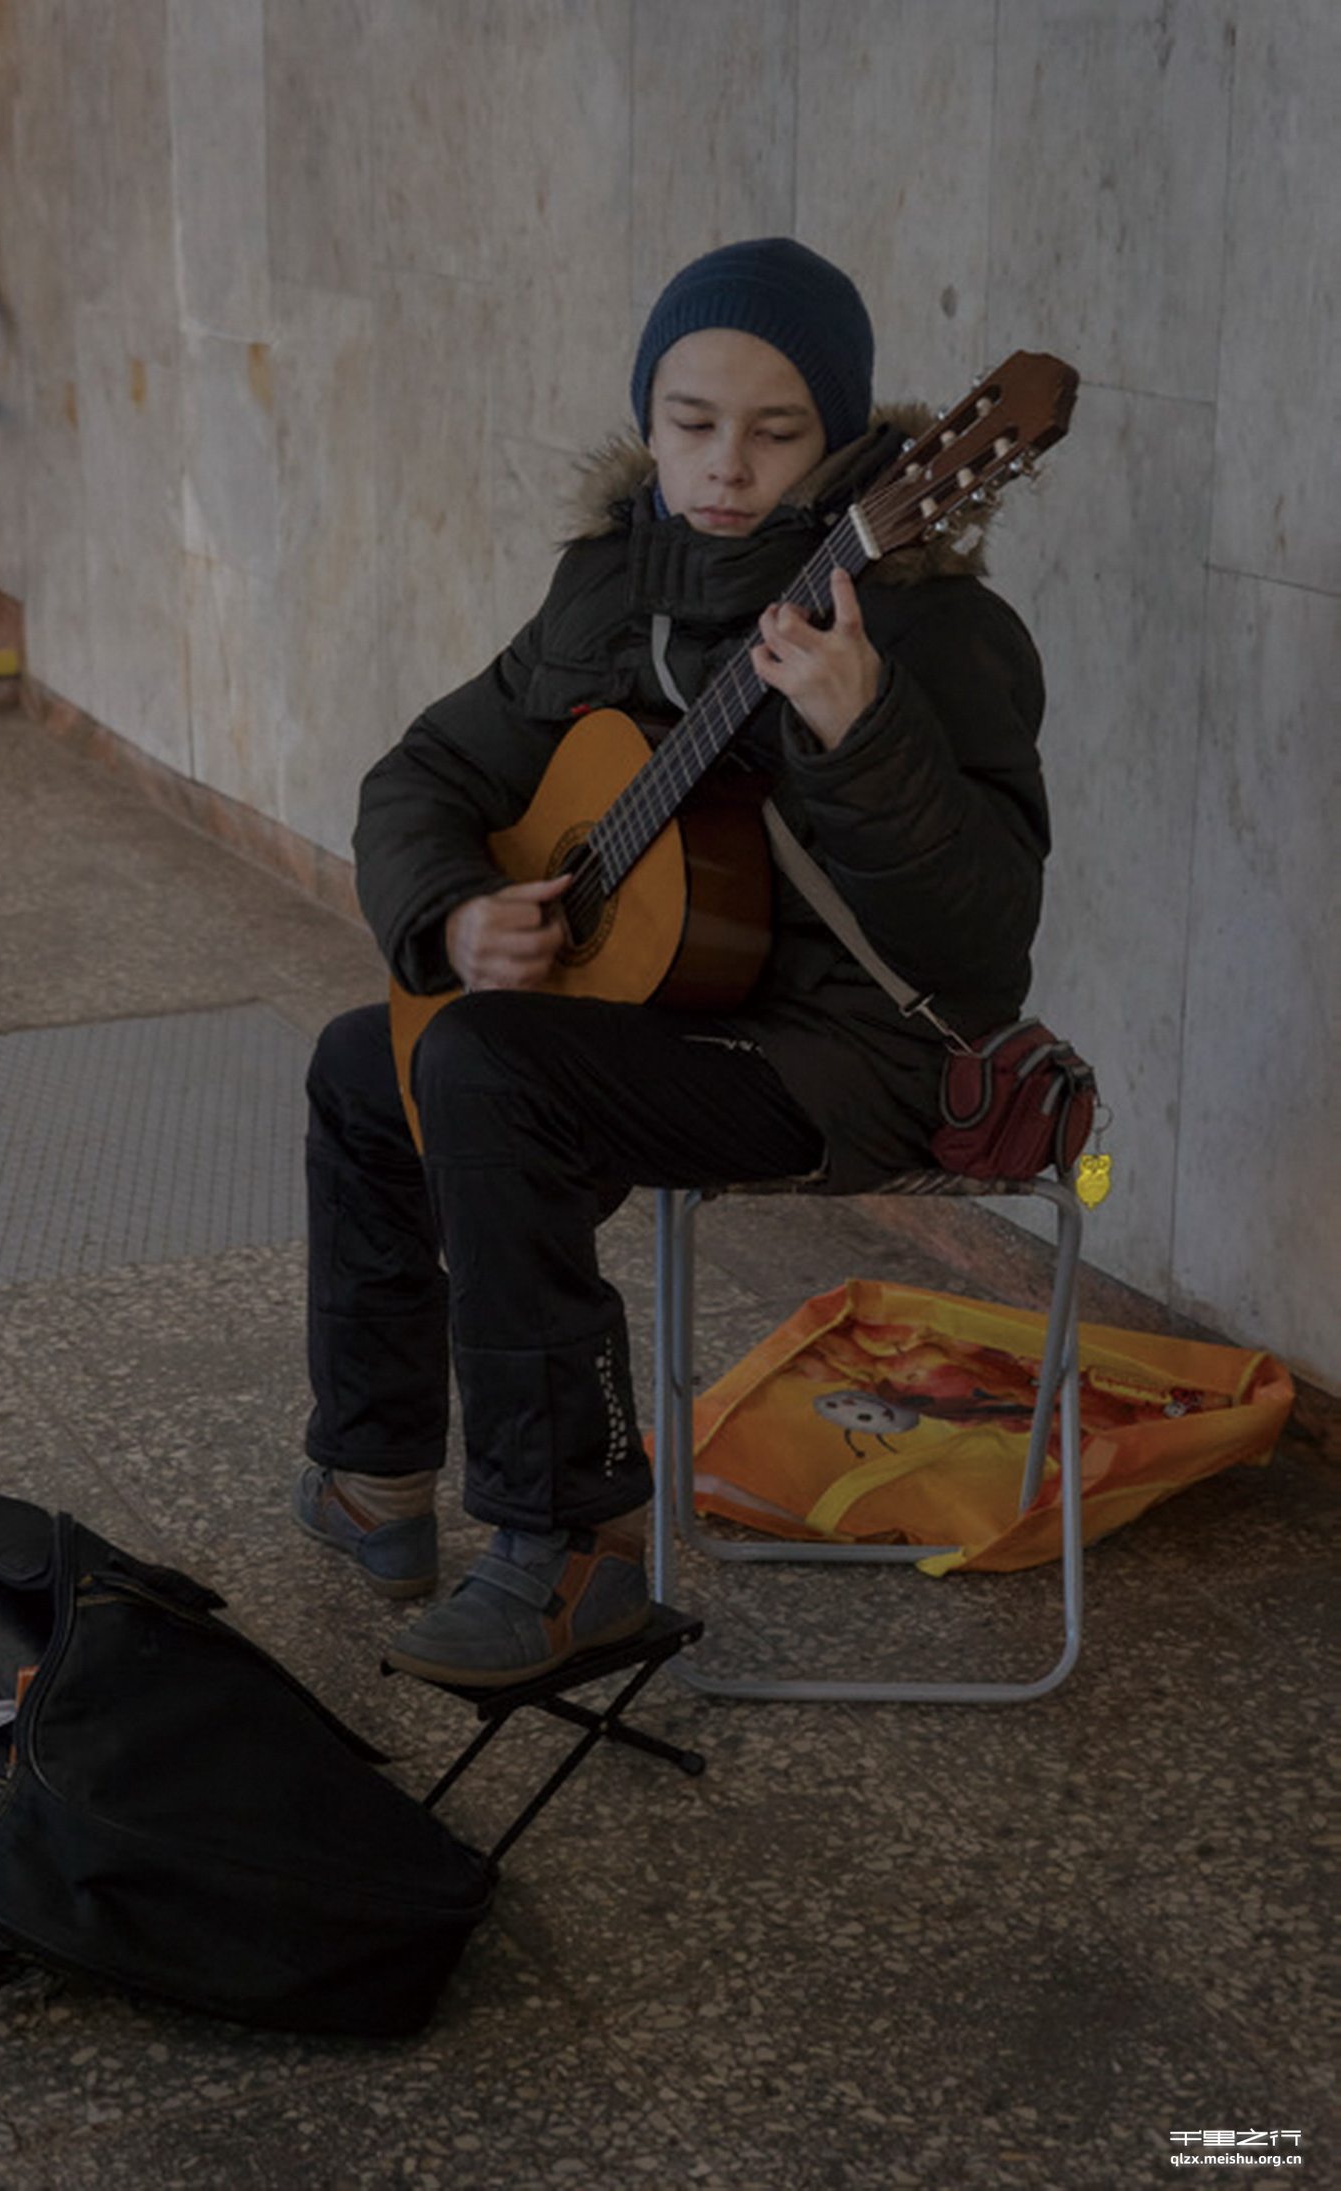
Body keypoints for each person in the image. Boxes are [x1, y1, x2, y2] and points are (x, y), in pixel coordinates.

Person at [295, 237, 1050, 1686]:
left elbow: (980, 941)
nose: (725, 467)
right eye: (690, 425)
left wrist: (861, 732)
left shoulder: (931, 627)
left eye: (776, 434)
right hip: (652, 1022)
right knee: (363, 1059)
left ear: (844, 444)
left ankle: (575, 1547)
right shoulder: (605, 588)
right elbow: (425, 773)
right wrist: (454, 911)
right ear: (649, 422)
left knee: (483, 1068)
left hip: (848, 1054)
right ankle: (374, 1477)